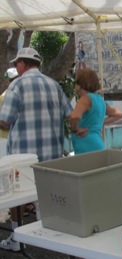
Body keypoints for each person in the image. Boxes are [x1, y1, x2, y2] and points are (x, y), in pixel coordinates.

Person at [0, 47, 73, 251]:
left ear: (22, 64)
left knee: (18, 195)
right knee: (47, 194)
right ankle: (48, 235)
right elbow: (69, 114)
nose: (16, 67)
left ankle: (17, 238)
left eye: (16, 64)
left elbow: (4, 121)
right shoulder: (54, 85)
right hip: (52, 153)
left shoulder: (17, 86)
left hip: (23, 156)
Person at [69, 68, 122, 154]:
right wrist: (99, 123)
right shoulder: (99, 100)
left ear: (79, 86)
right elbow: (119, 114)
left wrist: (75, 129)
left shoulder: (84, 99)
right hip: (98, 143)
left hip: (86, 144)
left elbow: (75, 116)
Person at [0, 68, 19, 138]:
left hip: (4, 137)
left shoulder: (4, 96)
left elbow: (4, 122)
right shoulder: (24, 93)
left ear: (7, 80)